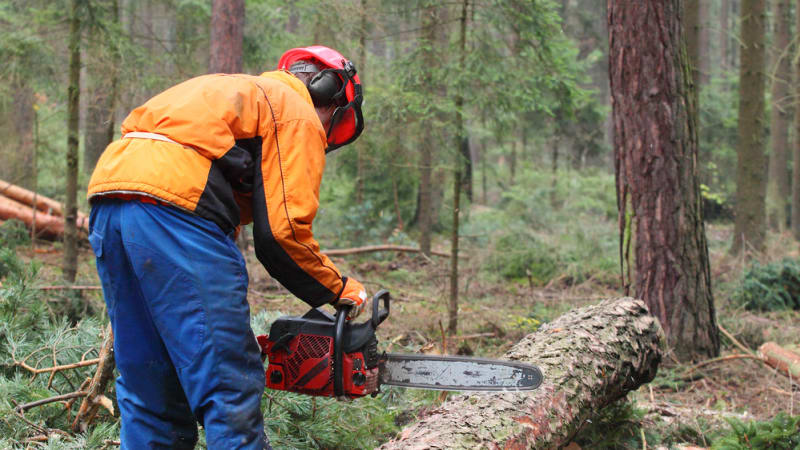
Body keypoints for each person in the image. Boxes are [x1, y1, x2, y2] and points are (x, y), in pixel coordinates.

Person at [86, 45, 367, 449]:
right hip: (174, 213)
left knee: (150, 385)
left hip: (110, 197)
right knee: (227, 384)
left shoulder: (236, 92)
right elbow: (282, 234)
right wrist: (341, 290)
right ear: (332, 97)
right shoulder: (295, 109)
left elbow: (226, 180)